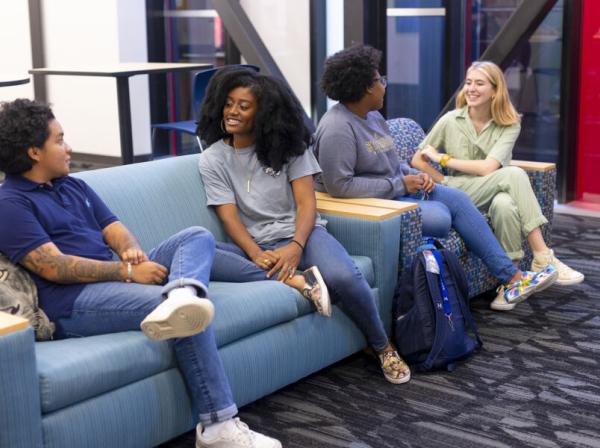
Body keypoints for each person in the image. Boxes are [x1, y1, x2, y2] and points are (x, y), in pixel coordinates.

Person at [0, 99, 280, 448]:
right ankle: (218, 427)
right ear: (34, 152)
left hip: (116, 276)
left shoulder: (72, 185)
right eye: (59, 140)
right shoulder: (10, 204)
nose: (68, 147)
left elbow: (113, 227)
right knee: (187, 317)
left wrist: (129, 248)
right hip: (72, 302)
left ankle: (181, 292)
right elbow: (53, 268)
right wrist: (127, 270)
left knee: (195, 236)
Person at [196, 66, 411, 385]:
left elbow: (307, 204)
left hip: (303, 235)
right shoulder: (212, 158)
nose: (232, 112)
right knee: (202, 249)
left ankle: (382, 347)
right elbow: (228, 217)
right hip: (255, 247)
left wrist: (296, 247)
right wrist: (256, 253)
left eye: (244, 106)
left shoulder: (289, 148)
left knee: (344, 276)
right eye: (228, 104)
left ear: (264, 112)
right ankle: (298, 280)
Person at [313, 44, 557, 311]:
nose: (385, 85)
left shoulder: (373, 117)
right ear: (365, 87)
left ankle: (512, 278)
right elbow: (339, 187)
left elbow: (394, 163)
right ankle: (513, 275)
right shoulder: (337, 128)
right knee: (441, 217)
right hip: (374, 203)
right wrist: (399, 184)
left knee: (459, 199)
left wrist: (416, 176)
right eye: (380, 80)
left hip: (397, 190)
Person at [412, 61, 584, 286]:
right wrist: (442, 179)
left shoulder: (509, 124)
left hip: (493, 190)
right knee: (514, 174)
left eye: (480, 83)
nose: (471, 88)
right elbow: (417, 159)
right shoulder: (450, 120)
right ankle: (542, 257)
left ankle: (510, 283)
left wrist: (443, 159)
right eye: (469, 83)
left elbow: (488, 169)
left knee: (505, 205)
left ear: (495, 91)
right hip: (459, 192)